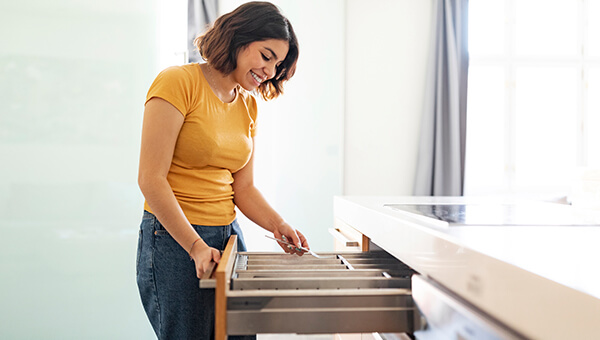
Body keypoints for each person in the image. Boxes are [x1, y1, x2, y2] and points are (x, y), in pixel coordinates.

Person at [135, 2, 308, 339]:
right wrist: (195, 245)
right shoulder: (177, 82)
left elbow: (243, 189)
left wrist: (279, 225)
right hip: (174, 239)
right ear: (239, 39)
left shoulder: (248, 104)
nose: (270, 71)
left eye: (278, 64)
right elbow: (150, 180)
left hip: (228, 237)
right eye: (266, 55)